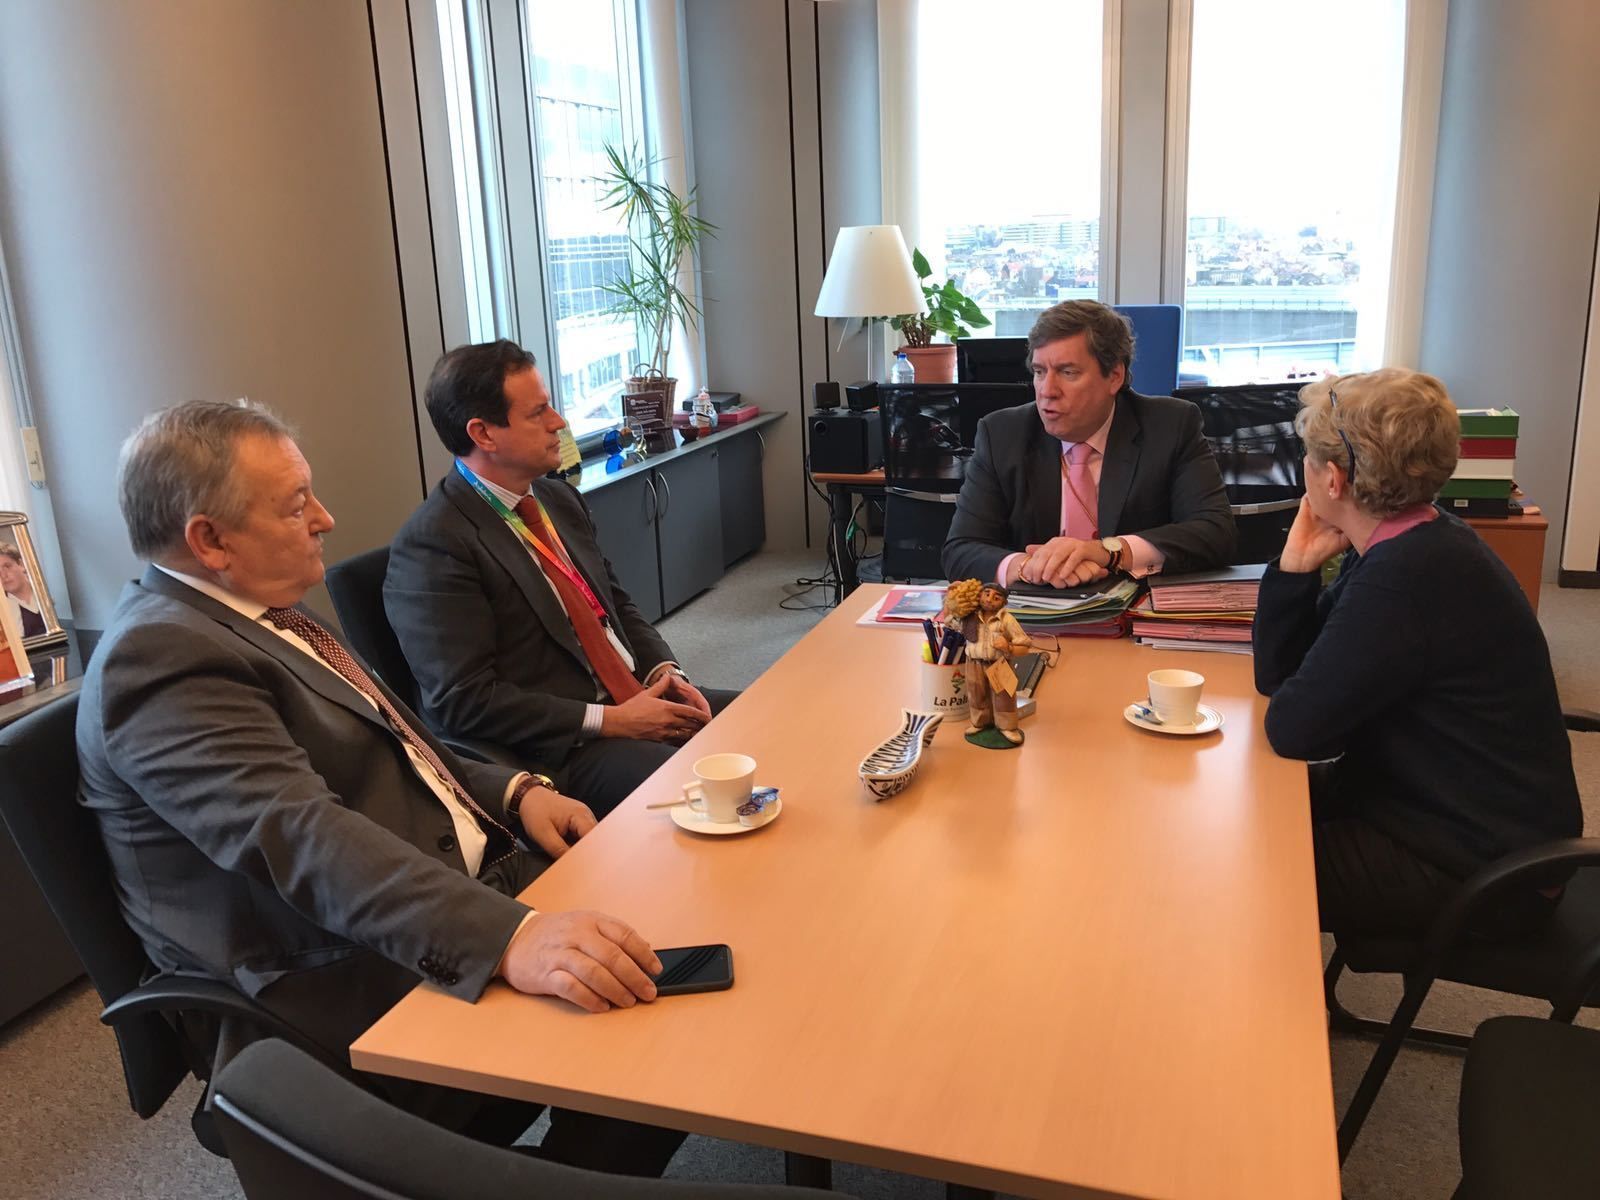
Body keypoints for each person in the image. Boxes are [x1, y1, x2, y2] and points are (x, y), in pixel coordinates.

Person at [78, 401, 683, 1171]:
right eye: (298, 505)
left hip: (450, 886)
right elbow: (304, 841)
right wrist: (511, 937)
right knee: (656, 1029)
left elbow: (407, 745)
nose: (326, 518)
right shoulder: (162, 661)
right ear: (210, 540)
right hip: (342, 981)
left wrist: (516, 792)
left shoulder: (262, 614)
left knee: (681, 921)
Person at [1252, 369, 1581, 938]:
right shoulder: (1415, 538)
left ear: (1333, 479)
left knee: (1237, 866)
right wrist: (1294, 570)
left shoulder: (1403, 578)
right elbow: (1284, 676)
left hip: (1484, 869)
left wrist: (1295, 588)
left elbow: (1294, 728)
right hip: (1443, 812)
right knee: (1242, 810)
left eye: (1305, 457)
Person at [385, 341, 738, 818]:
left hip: (635, 697)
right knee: (704, 792)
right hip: (564, 745)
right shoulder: (435, 544)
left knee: (764, 722)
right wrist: (611, 721)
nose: (559, 421)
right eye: (538, 412)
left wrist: (664, 672)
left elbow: (614, 604)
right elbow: (462, 702)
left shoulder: (557, 501)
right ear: (483, 433)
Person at [942, 299, 1235, 588]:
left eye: (1068, 373)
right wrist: (1031, 566)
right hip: (1035, 621)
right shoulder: (1002, 433)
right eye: (1040, 372)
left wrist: (1110, 552)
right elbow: (961, 549)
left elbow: (1215, 533)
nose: (1047, 391)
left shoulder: (1170, 425)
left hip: (1133, 620)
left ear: (1114, 376)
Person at [1, 540, 46, 637]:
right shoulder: (3, 611)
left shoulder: (45, 590)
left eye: (7, 566)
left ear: (21, 565)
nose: (3, 575)